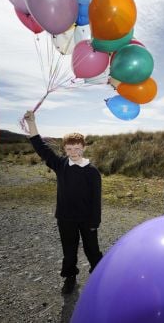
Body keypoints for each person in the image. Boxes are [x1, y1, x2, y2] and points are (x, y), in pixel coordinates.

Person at [23, 110, 103, 295]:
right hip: (65, 218)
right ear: (64, 149)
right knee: (69, 250)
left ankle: (99, 277)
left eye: (77, 148)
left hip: (87, 220)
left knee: (93, 250)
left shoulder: (92, 172)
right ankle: (70, 277)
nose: (73, 152)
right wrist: (32, 123)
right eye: (69, 149)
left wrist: (94, 223)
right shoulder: (60, 165)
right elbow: (41, 147)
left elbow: (96, 200)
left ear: (83, 147)